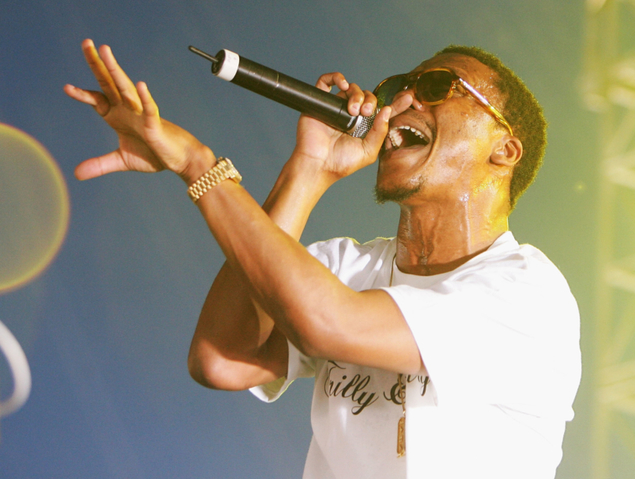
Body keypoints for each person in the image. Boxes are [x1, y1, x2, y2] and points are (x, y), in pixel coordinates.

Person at [65, 39, 581, 479]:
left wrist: (198, 164)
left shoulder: (527, 294)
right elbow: (220, 358)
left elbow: (323, 321)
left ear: (504, 151)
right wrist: (310, 168)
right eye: (400, 85)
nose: (400, 101)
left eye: (435, 88)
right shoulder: (344, 268)